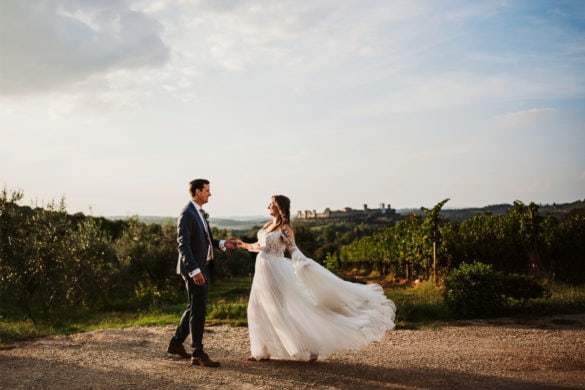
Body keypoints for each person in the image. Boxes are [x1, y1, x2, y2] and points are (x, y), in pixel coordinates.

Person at [236, 195, 396, 362]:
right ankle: (262, 350)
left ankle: (309, 347)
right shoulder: (268, 225)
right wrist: (244, 245)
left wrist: (304, 262)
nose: (268, 205)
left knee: (279, 309)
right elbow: (259, 246)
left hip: (275, 271)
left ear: (279, 207)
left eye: (272, 203)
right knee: (257, 308)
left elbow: (292, 248)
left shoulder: (285, 228)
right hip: (262, 271)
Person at [167, 178, 237, 367]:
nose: (209, 193)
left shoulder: (199, 213)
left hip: (201, 266)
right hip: (194, 269)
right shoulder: (187, 213)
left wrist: (223, 244)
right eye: (207, 190)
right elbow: (183, 245)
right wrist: (194, 271)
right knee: (198, 309)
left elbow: (206, 240)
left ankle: (176, 343)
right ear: (197, 191)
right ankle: (197, 352)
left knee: (194, 307)